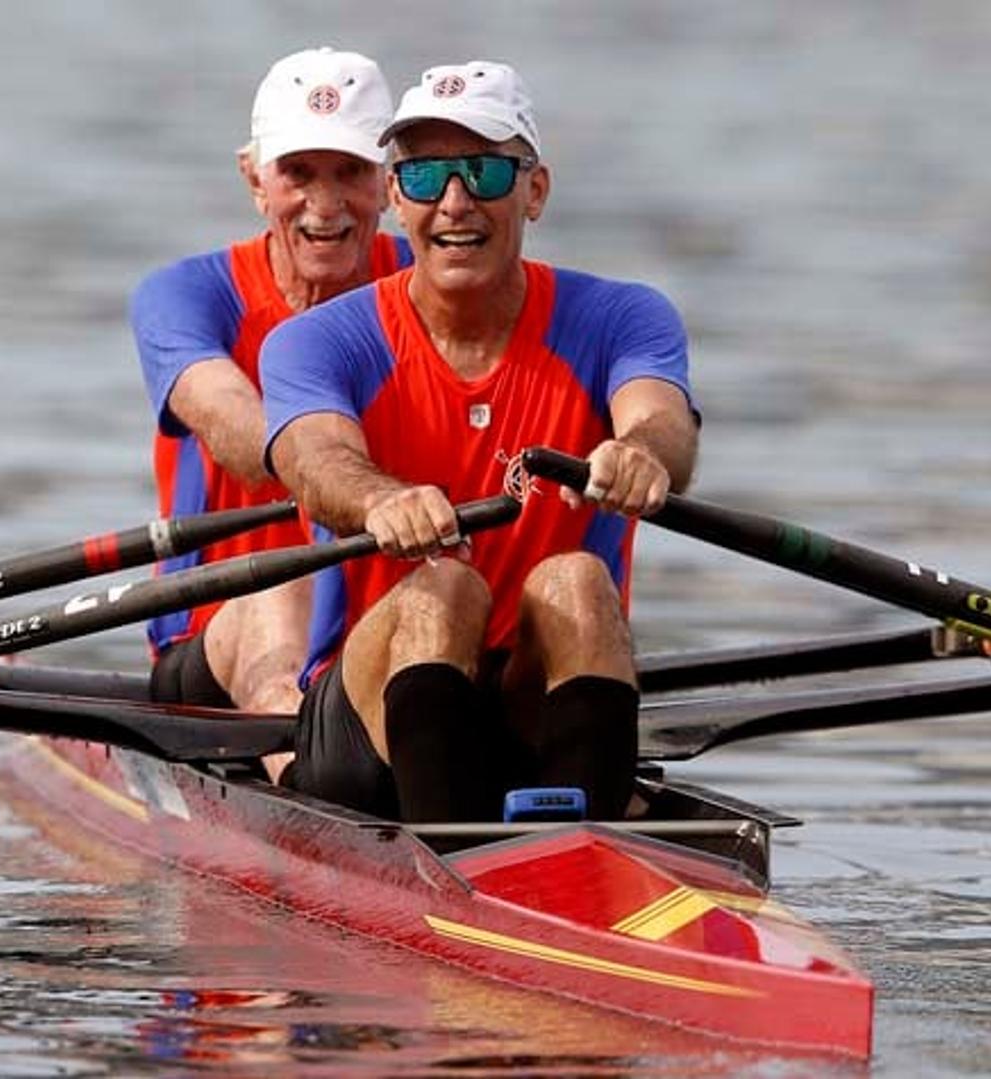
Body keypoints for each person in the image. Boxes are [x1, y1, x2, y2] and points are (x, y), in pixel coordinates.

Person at [260, 61, 698, 822]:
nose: (455, 202)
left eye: (484, 171)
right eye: (426, 177)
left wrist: (643, 454)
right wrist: (379, 500)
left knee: (577, 581)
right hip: (368, 728)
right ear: (397, 197)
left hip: (531, 696)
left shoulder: (623, 317)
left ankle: (575, 862)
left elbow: (661, 418)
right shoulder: (316, 341)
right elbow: (315, 459)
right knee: (444, 584)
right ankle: (463, 869)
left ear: (534, 189)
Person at [132, 47, 410, 741]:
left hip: (386, 616)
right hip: (220, 625)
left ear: (390, 184)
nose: (325, 205)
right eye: (298, 173)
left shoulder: (431, 288)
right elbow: (234, 426)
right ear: (255, 178)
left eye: (350, 172)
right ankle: (311, 791)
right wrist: (341, 476)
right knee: (281, 598)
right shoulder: (187, 297)